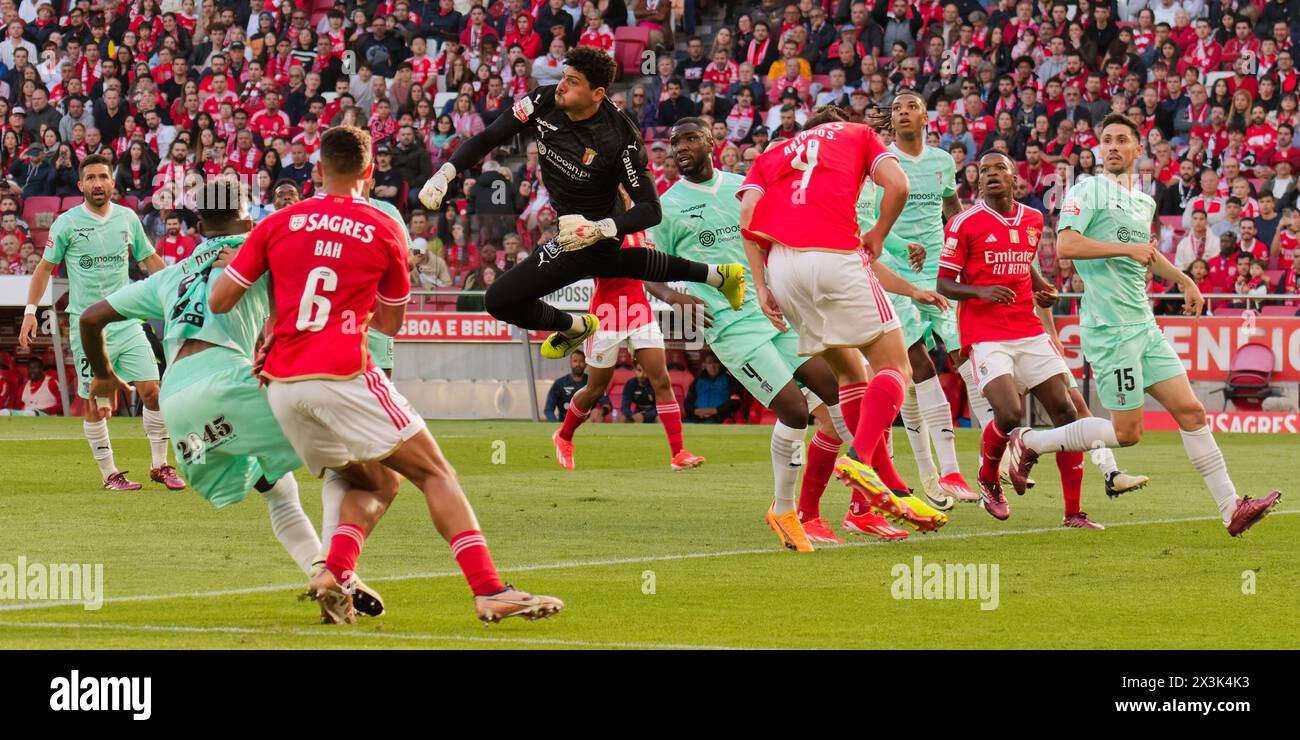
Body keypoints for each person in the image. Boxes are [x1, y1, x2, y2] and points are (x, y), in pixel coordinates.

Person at [208, 125, 562, 624]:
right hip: (342, 370)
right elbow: (391, 322)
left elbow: (220, 299)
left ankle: (334, 570)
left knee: (377, 483)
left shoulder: (279, 222)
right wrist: (346, 305)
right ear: (370, 172)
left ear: (316, 171)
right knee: (436, 472)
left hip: (284, 387)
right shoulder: (383, 227)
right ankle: (489, 589)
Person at [76, 178, 383, 618]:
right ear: (250, 217)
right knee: (352, 468)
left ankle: (322, 574)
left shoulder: (171, 274)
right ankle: (340, 571)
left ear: (199, 224)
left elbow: (90, 318)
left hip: (179, 403)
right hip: (231, 381)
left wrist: (104, 376)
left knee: (278, 488)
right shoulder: (262, 251)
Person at [647, 117, 908, 546]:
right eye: (674, 141)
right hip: (731, 326)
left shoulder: (742, 184)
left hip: (777, 309)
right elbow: (651, 268)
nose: (681, 147)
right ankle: (784, 510)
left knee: (842, 395)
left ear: (712, 141)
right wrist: (676, 298)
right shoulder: (669, 206)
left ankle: (860, 503)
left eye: (690, 138)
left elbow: (772, 233)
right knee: (792, 408)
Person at [1017, 113, 1280, 538]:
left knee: (1192, 411)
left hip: (1143, 323)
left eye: (1123, 140)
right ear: (1101, 149)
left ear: (1140, 150)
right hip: (1110, 328)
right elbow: (1066, 245)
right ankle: (1030, 442)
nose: (1114, 146)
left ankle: (1232, 508)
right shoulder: (1087, 189)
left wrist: (1184, 279)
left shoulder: (1143, 202)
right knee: (1128, 433)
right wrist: (1126, 246)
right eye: (1107, 140)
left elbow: (1146, 254)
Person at [416, 47, 745, 361]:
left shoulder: (621, 138)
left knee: (499, 300)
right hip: (571, 224)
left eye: (573, 82)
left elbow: (650, 208)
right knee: (615, 265)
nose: (561, 85)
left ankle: (574, 327)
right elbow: (488, 138)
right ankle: (719, 275)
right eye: (563, 76)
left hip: (598, 229)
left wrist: (599, 228)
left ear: (597, 93)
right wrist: (446, 173)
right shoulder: (543, 100)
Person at [741, 105, 952, 539]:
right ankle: (860, 459)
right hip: (834, 255)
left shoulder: (773, 153)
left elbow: (747, 216)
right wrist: (879, 232)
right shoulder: (855, 136)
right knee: (898, 367)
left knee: (852, 374)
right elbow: (899, 184)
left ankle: (888, 489)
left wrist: (761, 286)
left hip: (783, 269)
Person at [937, 152, 1100, 528]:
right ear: (977, 183)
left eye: (1000, 169)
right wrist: (982, 292)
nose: (992, 175)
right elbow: (944, 283)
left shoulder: (1033, 218)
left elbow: (1024, 264)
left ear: (1015, 180)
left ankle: (1073, 512)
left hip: (1027, 328)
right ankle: (989, 480)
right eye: (985, 171)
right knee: (1009, 414)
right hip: (985, 335)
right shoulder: (963, 222)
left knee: (1066, 414)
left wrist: (1042, 288)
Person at [18, 153, 184, 492]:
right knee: (95, 402)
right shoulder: (66, 223)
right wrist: (30, 312)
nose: (97, 183)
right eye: (90, 178)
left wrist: (178, 287)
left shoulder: (127, 218)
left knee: (153, 391)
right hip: (88, 327)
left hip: (126, 320)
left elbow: (148, 258)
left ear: (112, 183)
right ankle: (110, 474)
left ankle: (159, 465)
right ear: (80, 185)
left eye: (102, 177)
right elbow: (44, 268)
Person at [866, 90, 976, 510]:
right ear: (890, 121)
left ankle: (991, 465)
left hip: (937, 274)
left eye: (911, 106)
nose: (903, 113)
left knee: (965, 355)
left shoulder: (942, 162)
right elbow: (871, 222)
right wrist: (897, 245)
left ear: (926, 115)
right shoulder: (879, 164)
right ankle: (938, 473)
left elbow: (954, 208)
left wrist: (964, 248)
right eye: (896, 109)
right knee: (915, 368)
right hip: (893, 274)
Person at [552, 221, 705, 472]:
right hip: (606, 314)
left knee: (662, 381)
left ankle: (678, 453)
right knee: (596, 388)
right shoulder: (597, 228)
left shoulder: (642, 226)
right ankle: (564, 436)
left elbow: (650, 271)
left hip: (639, 312)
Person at [683, 354, 741, 423]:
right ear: (705, 365)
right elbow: (688, 402)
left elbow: (735, 401)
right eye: (710, 363)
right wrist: (695, 411)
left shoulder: (730, 380)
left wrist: (716, 410)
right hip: (697, 416)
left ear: (721, 364)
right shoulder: (698, 380)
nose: (713, 366)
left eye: (716, 363)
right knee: (684, 424)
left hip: (720, 417)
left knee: (708, 424)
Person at [545, 350, 597, 422]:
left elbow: (605, 403)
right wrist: (555, 423)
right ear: (570, 363)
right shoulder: (559, 383)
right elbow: (548, 409)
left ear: (586, 364)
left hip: (587, 424)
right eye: (575, 361)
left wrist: (599, 412)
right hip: (563, 423)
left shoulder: (592, 383)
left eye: (581, 361)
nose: (578, 364)